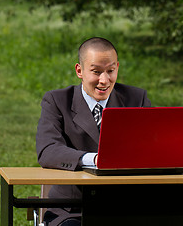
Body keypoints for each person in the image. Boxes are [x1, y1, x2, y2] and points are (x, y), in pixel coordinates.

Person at [36, 37, 151, 226]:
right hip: (73, 210)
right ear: (79, 71)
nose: (104, 80)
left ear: (117, 68)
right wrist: (95, 159)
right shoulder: (57, 101)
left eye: (110, 71)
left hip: (127, 207)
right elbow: (47, 150)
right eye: (96, 72)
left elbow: (152, 146)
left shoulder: (136, 99)